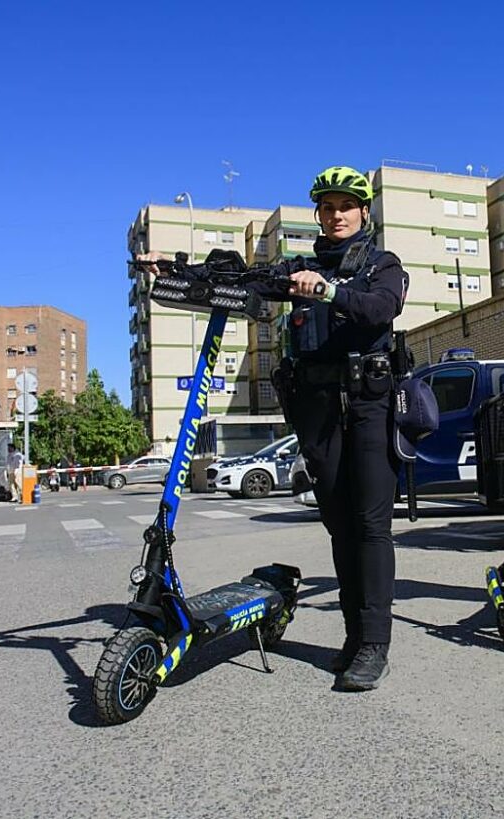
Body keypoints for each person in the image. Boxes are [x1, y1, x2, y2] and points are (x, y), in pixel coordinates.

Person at [140, 166, 408, 690]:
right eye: (327, 207)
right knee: (339, 525)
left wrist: (330, 292)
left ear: (363, 212)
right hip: (317, 408)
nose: (336, 215)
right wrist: (175, 268)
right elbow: (242, 279)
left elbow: (383, 307)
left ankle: (375, 644)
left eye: (345, 206)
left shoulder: (382, 264)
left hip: (369, 405)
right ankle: (354, 637)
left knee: (371, 526)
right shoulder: (300, 267)